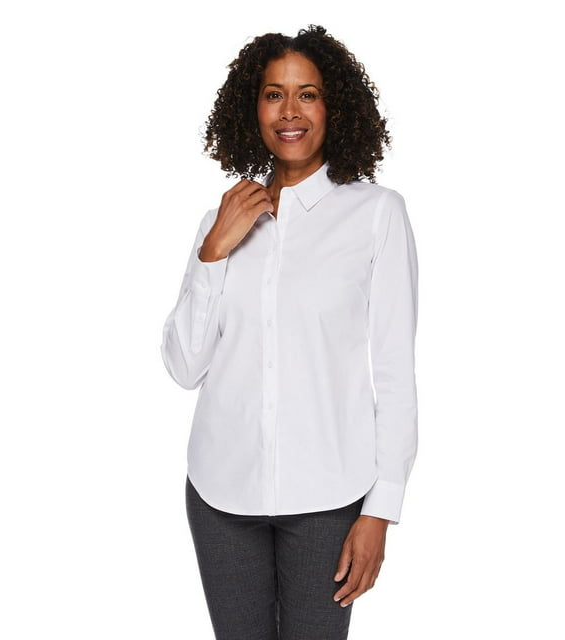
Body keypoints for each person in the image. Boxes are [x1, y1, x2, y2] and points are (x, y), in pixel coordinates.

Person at [161, 24, 419, 640]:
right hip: (221, 494)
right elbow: (184, 367)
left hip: (330, 497)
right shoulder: (221, 220)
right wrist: (213, 252)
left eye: (308, 94)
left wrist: (381, 510)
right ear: (252, 109)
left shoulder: (376, 214)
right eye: (274, 94)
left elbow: (393, 372)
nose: (290, 111)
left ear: (335, 107)